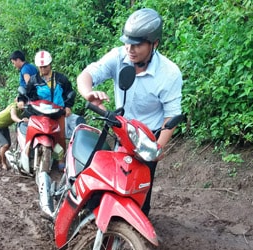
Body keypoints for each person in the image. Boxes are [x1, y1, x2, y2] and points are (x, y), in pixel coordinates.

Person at [76, 8, 183, 216]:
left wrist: (157, 148)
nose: (130, 49)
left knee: (141, 196)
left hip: (148, 138)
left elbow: (172, 115)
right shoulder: (118, 56)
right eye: (127, 42)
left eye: (137, 44)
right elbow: (87, 75)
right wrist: (88, 93)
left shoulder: (169, 73)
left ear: (155, 44)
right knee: (105, 183)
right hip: (121, 130)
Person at [26, 50, 76, 169]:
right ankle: (27, 153)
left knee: (60, 136)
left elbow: (70, 92)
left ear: (50, 65)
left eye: (45, 66)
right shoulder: (33, 80)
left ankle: (60, 159)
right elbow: (28, 95)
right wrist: (23, 102)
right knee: (31, 130)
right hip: (40, 112)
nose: (43, 69)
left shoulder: (61, 79)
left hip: (58, 112)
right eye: (40, 67)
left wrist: (68, 106)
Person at [0, 95, 28, 170]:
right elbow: (13, 116)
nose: (23, 105)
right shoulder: (13, 107)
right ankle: (3, 163)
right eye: (21, 103)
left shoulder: (22, 110)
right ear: (17, 102)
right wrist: (20, 121)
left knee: (8, 145)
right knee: (5, 145)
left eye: (24, 104)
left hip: (4, 125)